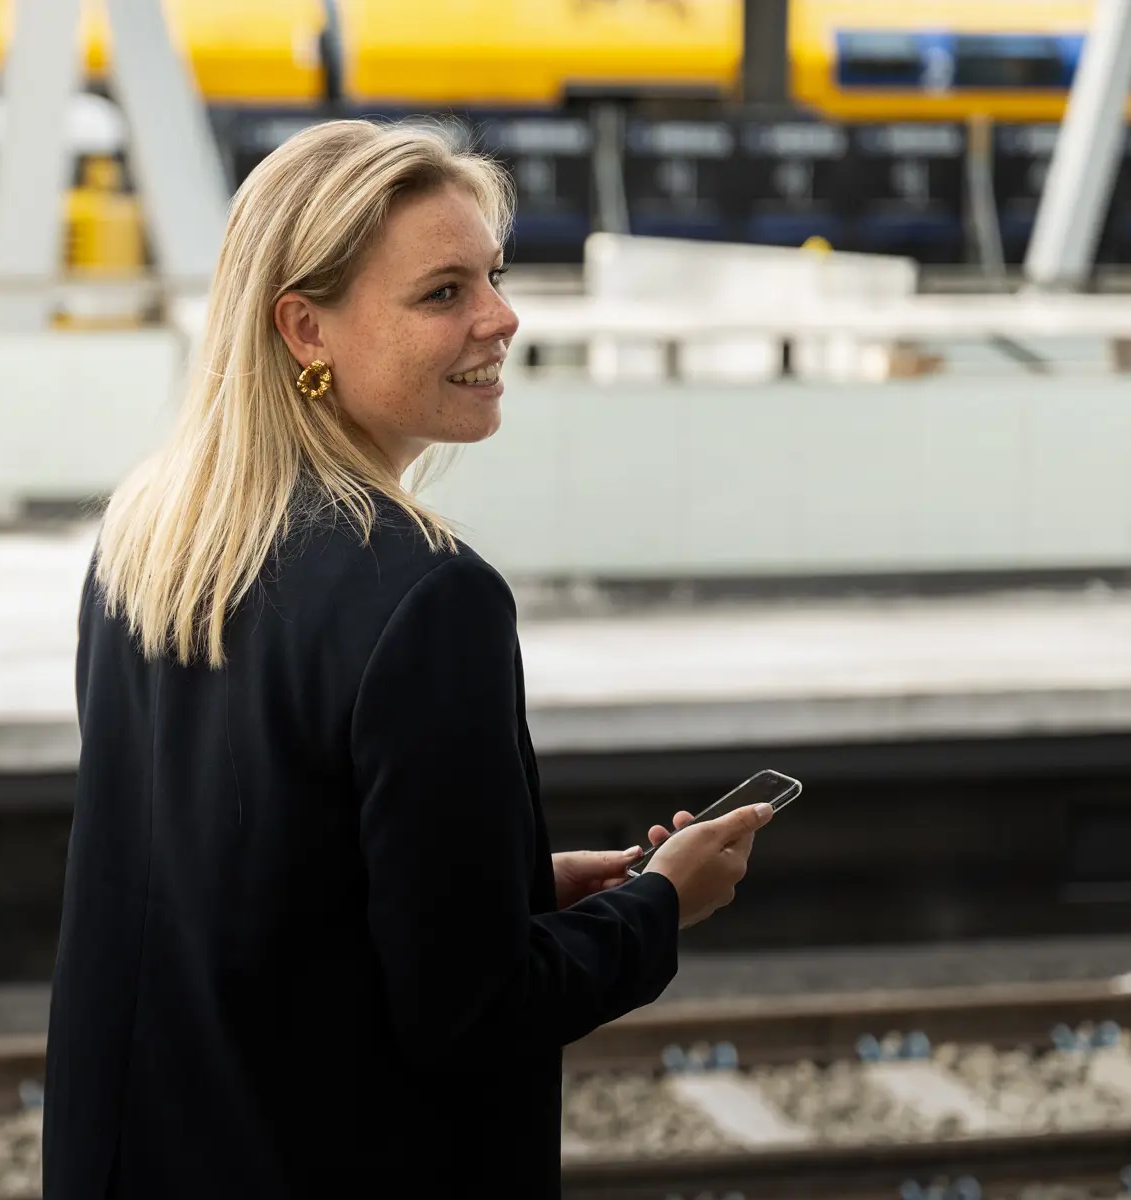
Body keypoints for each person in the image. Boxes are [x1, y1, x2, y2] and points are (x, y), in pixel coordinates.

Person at [43, 118, 772, 1199]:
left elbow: (254, 899)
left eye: (494, 275)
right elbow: (473, 1016)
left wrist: (517, 884)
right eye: (444, 294)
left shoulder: (150, 544)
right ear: (306, 330)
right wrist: (659, 907)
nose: (501, 317)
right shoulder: (430, 600)